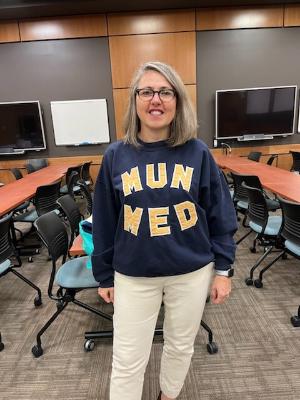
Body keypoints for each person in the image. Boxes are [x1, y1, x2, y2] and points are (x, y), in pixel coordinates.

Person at [92, 61, 237, 400]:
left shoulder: (197, 152)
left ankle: (167, 396)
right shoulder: (116, 155)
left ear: (177, 101)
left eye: (165, 92)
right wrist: (103, 275)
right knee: (127, 358)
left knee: (180, 346)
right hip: (133, 274)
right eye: (147, 91)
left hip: (191, 272)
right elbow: (103, 220)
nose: (156, 99)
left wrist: (224, 270)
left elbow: (220, 215)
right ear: (135, 100)